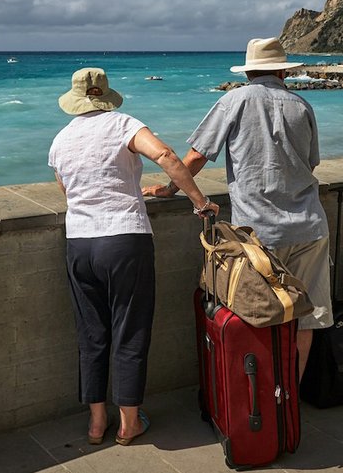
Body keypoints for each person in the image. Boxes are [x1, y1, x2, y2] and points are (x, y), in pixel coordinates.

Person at [143, 37, 332, 379]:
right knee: (308, 317)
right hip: (310, 227)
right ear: (283, 72)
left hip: (259, 234)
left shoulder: (235, 100)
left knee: (259, 316)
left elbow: (198, 155)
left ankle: (262, 402)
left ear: (248, 72)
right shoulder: (301, 105)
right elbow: (311, 164)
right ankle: (290, 398)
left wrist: (171, 188)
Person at [49, 67, 219, 447]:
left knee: (91, 334)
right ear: (105, 96)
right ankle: (128, 422)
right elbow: (165, 154)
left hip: (80, 242)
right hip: (124, 239)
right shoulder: (123, 124)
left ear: (75, 100)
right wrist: (200, 202)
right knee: (130, 329)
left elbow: (68, 191)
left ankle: (96, 423)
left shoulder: (60, 140)